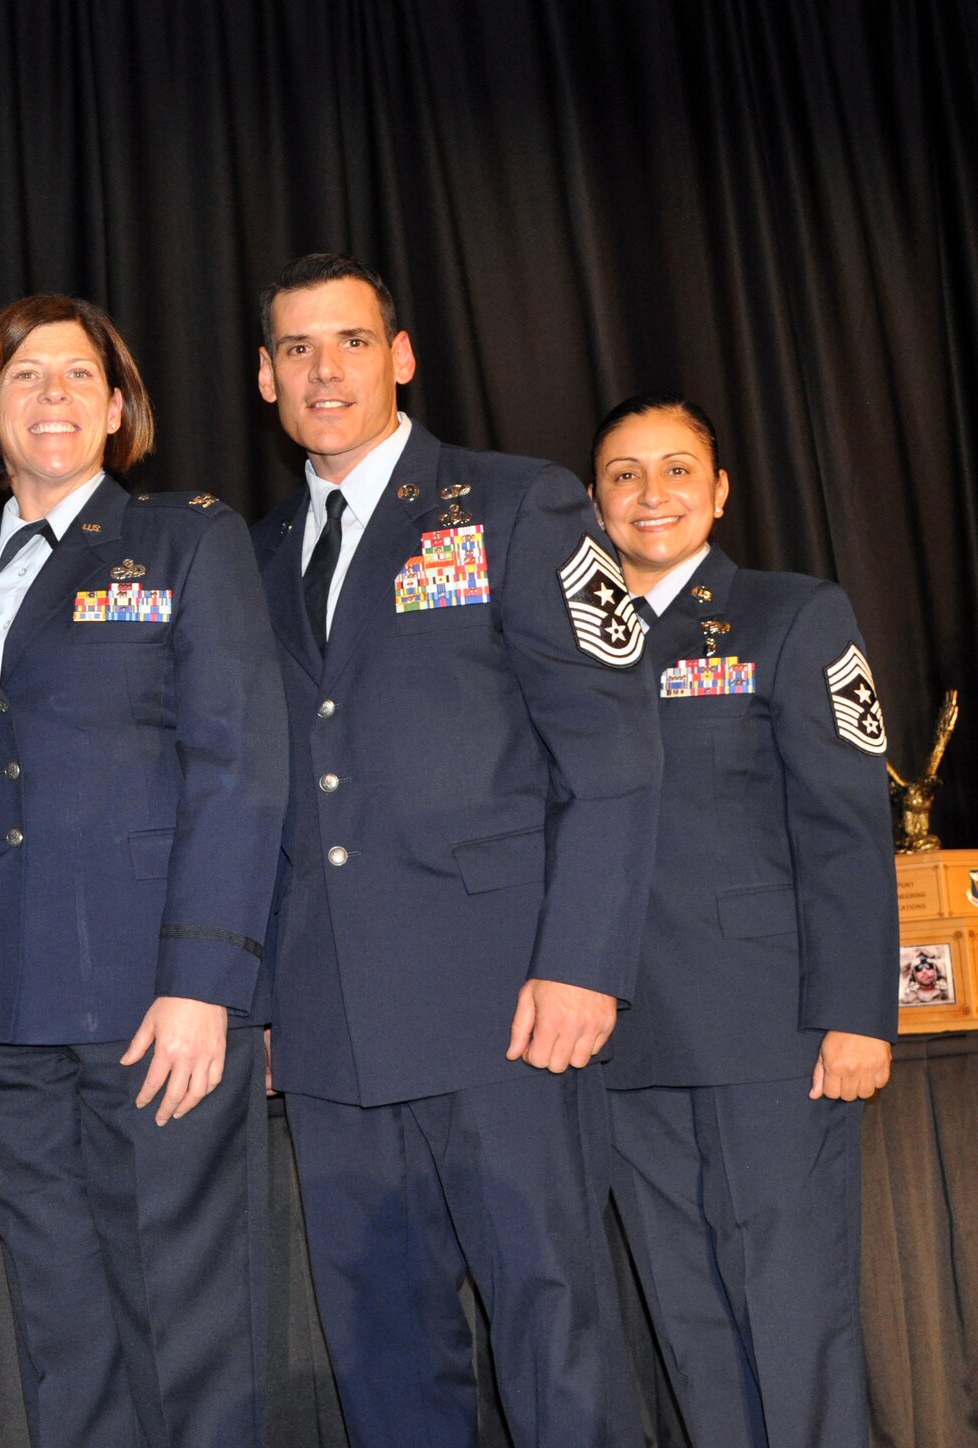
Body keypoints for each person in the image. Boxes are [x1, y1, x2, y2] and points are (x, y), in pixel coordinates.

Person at [249, 253, 661, 1448]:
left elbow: (614, 747)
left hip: (506, 1004)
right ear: (264, 375)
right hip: (329, 1019)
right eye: (294, 349)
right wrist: (270, 992)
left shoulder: (512, 502)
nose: (324, 371)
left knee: (553, 1327)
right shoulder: (259, 550)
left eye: (350, 341)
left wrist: (583, 962)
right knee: (379, 1347)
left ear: (401, 354)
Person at [0, 294, 288, 1446]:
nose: (49, 395)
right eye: (22, 377)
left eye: (75, 376)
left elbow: (237, 767)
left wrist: (205, 981)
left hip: (153, 1004)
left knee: (187, 1334)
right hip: (1, 1007)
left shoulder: (187, 539)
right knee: (61, 1337)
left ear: (117, 408)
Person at [588, 392, 896, 1447]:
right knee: (688, 1324)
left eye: (675, 469)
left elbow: (847, 829)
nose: (649, 493)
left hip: (771, 1032)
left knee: (791, 1306)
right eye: (623, 473)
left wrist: (860, 1011)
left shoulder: (791, 614)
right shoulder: (559, 640)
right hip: (620, 1036)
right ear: (594, 497)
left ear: (718, 491)